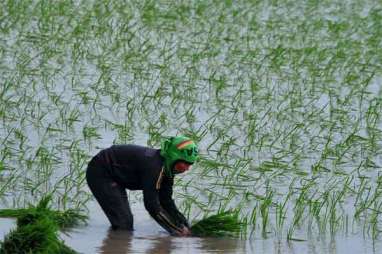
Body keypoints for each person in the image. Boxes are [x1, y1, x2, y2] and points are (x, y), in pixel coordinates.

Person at [86, 135, 198, 237]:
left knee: (124, 222)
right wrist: (176, 230)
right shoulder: (154, 167)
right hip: (102, 172)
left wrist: (185, 224)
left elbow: (166, 201)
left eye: (190, 164)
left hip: (116, 175)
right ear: (173, 157)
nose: (187, 168)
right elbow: (152, 205)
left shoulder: (168, 169)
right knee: (124, 223)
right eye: (185, 163)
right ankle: (116, 244)